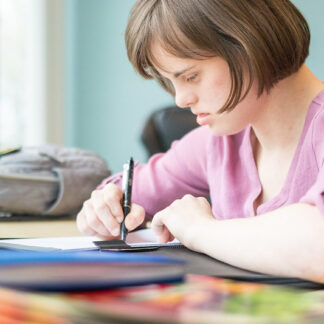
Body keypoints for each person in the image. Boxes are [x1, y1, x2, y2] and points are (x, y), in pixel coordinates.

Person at [77, 0, 324, 283]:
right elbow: (126, 190)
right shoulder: (219, 143)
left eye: (191, 76)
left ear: (248, 45)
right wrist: (104, 208)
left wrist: (199, 230)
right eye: (171, 82)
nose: (181, 99)